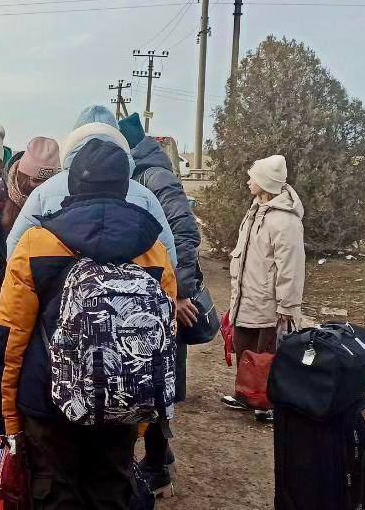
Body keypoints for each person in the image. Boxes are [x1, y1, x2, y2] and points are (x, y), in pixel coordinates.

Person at [0, 139, 178, 510]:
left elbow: (11, 337)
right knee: (112, 494)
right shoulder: (152, 249)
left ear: (72, 184)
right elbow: (163, 338)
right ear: (125, 185)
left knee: (56, 496)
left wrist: (8, 417)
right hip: (122, 399)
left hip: (48, 404)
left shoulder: (37, 243)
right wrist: (140, 415)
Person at [119, 113, 203, 494]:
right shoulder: (146, 173)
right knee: (153, 374)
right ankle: (160, 456)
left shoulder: (154, 178)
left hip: (165, 294)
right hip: (156, 291)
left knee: (155, 377)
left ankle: (156, 465)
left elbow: (183, 234)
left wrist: (181, 292)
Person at [6, 106, 178, 268]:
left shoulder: (44, 192)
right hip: (132, 295)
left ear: (73, 140)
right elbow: (167, 255)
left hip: (58, 295)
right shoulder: (144, 195)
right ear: (118, 139)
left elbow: (16, 248)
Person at [222, 155, 305, 416]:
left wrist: (287, 305)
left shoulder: (285, 220)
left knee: (266, 353)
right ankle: (246, 394)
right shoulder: (255, 210)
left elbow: (291, 266)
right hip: (247, 297)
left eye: (253, 177)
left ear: (265, 183)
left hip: (269, 302)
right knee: (243, 346)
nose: (248, 181)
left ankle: (267, 403)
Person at [0, 137, 62, 313]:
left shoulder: (59, 197)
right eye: (35, 181)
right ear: (23, 176)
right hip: (5, 293)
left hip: (48, 294)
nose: (41, 189)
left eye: (47, 183)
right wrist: (7, 277)